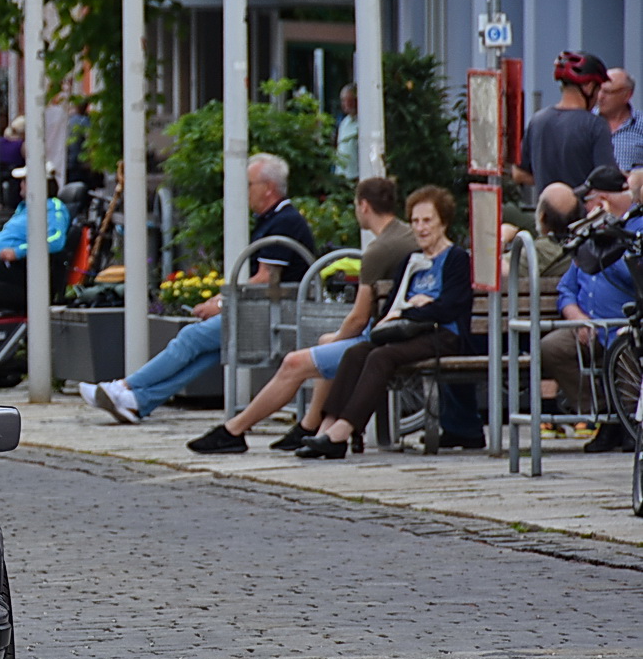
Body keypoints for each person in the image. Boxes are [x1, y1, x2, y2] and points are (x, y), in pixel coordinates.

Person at [186, 176, 415, 454]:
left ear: (364, 206)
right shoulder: (405, 236)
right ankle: (309, 425)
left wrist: (337, 338)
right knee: (325, 343)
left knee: (295, 362)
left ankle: (234, 430)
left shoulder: (379, 251)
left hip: (383, 338)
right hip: (404, 331)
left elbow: (358, 319)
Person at [82, 153, 316, 424]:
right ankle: (138, 402)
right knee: (208, 350)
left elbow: (265, 279)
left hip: (274, 320)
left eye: (248, 184)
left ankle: (126, 387)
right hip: (270, 315)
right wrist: (220, 300)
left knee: (192, 338)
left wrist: (219, 305)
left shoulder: (284, 222)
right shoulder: (275, 219)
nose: (244, 192)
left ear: (268, 188)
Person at [295, 187, 472, 459]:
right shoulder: (409, 262)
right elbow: (390, 309)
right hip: (407, 333)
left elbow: (451, 307)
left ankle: (343, 431)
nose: (421, 228)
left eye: (428, 221)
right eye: (415, 221)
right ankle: (327, 427)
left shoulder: (456, 259)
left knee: (382, 357)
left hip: (442, 335)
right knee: (356, 353)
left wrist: (415, 310)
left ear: (443, 222)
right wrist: (411, 309)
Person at [538, 165, 642, 452]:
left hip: (623, 326)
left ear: (604, 200)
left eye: (590, 199)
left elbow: (632, 279)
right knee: (552, 347)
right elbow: (566, 288)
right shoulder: (588, 231)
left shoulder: (636, 229)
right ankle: (604, 414)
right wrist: (577, 316)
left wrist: (613, 241)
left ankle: (626, 423)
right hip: (588, 325)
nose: (584, 206)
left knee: (625, 349)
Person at [0, 164, 69, 311]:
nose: (21, 185)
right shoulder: (25, 208)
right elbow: (13, 235)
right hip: (0, 264)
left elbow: (56, 240)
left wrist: (18, 252)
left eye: (25, 180)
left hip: (21, 270)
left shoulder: (53, 207)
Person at [513, 51, 615, 191]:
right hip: (584, 210)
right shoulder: (595, 125)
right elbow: (608, 179)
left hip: (546, 209)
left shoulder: (537, 120)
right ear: (589, 87)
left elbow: (518, 174)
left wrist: (552, 185)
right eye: (598, 90)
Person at [596, 68, 643, 173]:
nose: (600, 97)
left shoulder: (640, 125)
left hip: (630, 187)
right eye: (599, 89)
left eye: (607, 92)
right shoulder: (586, 122)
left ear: (627, 95)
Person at [334, 84, 359, 179]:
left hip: (355, 175)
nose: (344, 104)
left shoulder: (364, 123)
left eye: (346, 100)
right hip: (341, 176)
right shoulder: (344, 122)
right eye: (342, 100)